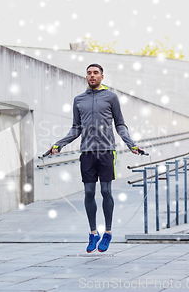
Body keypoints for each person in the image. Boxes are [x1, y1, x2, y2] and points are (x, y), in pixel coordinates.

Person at [49, 64, 142, 253]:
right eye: (89, 73)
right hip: (87, 153)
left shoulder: (111, 97)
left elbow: (120, 124)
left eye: (96, 73)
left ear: (102, 76)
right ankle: (93, 233)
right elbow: (76, 128)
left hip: (107, 151)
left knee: (106, 192)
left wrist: (130, 144)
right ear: (86, 76)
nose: (92, 76)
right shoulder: (78, 100)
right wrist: (59, 144)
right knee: (89, 192)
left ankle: (107, 232)